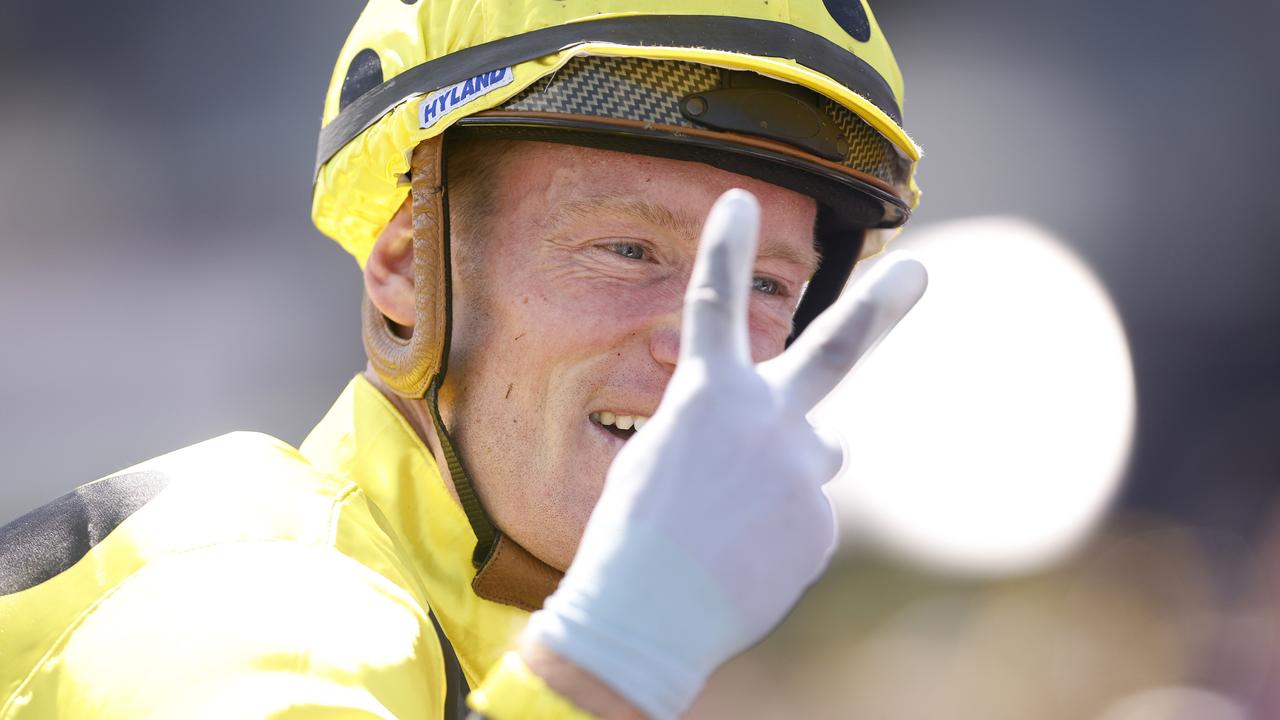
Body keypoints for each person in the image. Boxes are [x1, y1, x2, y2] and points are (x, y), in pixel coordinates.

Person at [0, 1, 927, 717]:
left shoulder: (478, 647)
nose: (696, 348)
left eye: (766, 286)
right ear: (405, 265)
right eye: (626, 250)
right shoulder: (263, 600)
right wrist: (615, 663)